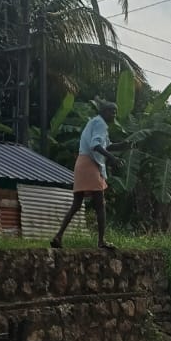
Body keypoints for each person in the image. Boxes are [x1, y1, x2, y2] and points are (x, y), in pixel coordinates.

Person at [51, 101, 119, 250]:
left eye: (116, 112)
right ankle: (101, 241)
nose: (114, 115)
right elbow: (96, 145)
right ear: (104, 111)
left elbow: (106, 145)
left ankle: (58, 236)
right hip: (91, 164)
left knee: (76, 205)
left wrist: (124, 145)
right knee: (100, 205)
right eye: (112, 111)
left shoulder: (94, 122)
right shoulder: (100, 124)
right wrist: (112, 158)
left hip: (81, 163)